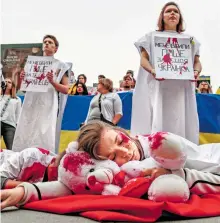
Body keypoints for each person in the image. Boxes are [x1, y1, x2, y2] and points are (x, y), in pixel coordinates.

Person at [1, 121, 220, 210]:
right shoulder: (119, 173)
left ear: (122, 131)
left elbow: (202, 164)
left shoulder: (160, 143)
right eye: (114, 157)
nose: (126, 152)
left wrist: (176, 173)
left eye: (120, 141)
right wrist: (24, 189)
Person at [130, 2, 202, 144]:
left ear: (180, 17)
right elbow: (143, 59)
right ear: (162, 17)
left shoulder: (190, 40)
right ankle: (157, 150)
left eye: (176, 11)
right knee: (158, 117)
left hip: (181, 89)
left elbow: (197, 62)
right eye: (168, 11)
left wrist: (195, 71)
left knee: (180, 120)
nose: (172, 13)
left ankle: (181, 151)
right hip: (159, 87)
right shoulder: (150, 36)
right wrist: (152, 70)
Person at [12, 35, 70, 153]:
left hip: (48, 104)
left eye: (50, 42)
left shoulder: (61, 65)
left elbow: (66, 89)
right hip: (30, 103)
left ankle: (44, 161)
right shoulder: (31, 63)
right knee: (26, 130)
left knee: (44, 132)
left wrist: (52, 82)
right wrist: (21, 79)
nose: (47, 44)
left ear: (56, 48)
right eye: (45, 42)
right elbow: (22, 89)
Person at [0, 78, 22, 150]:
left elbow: (18, 115)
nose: (6, 83)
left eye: (9, 82)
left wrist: (17, 127)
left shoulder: (17, 99)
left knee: (11, 148)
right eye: (5, 82)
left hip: (10, 125)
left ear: (12, 86)